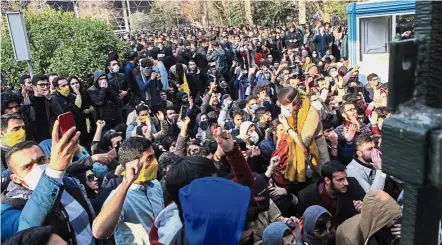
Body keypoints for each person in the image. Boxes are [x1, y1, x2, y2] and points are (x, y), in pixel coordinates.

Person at [1, 122, 97, 244]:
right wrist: (54, 172)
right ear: (16, 178)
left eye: (41, 160)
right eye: (27, 166)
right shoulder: (8, 206)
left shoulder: (68, 184)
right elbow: (25, 231)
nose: (37, 168)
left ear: (48, 159)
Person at [92, 137, 164, 244]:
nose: (155, 162)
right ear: (133, 164)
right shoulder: (119, 197)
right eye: (149, 158)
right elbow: (99, 232)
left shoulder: (155, 185)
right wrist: (127, 183)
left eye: (154, 156)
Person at [297, 160, 366, 226]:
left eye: (345, 178)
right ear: (327, 180)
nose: (346, 183)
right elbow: (305, 225)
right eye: (340, 180)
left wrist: (363, 208)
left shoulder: (352, 184)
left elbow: (368, 205)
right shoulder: (306, 196)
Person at [336, 189, 402, 245]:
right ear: (380, 218)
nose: (397, 218)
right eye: (394, 218)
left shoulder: (381, 222)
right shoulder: (350, 238)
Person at [0, 114, 26, 191]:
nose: (22, 132)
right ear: (1, 134)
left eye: (23, 128)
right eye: (16, 129)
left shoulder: (27, 147)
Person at [29, 74, 55, 142]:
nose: (45, 87)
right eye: (42, 85)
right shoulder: (28, 103)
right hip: (37, 140)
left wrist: (49, 99)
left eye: (47, 84)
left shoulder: (51, 99)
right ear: (34, 87)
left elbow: (60, 114)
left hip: (53, 137)